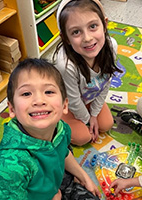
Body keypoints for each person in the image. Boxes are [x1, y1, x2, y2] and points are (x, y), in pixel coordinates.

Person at [0, 58, 101, 200]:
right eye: (26, 94)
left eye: (48, 92)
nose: (39, 100)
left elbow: (63, 152)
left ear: (65, 105)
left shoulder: (61, 128)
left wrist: (84, 177)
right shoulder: (9, 167)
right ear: (12, 109)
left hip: (52, 180)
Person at [53, 0, 122, 146]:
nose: (88, 38)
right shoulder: (65, 64)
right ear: (66, 38)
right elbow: (72, 100)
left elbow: (105, 83)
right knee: (82, 138)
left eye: (93, 26)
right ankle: (55, 121)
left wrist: (95, 114)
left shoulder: (111, 46)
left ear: (105, 24)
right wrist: (87, 120)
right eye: (76, 32)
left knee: (106, 124)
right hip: (66, 103)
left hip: (88, 97)